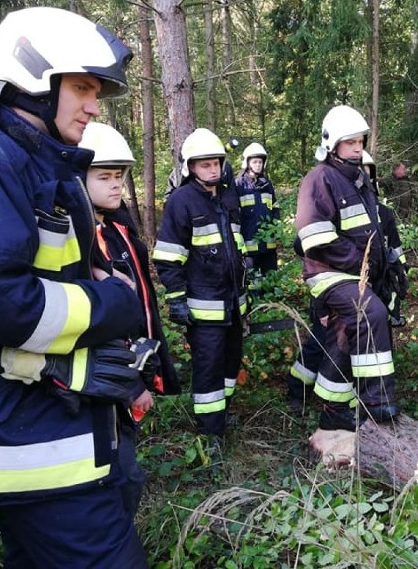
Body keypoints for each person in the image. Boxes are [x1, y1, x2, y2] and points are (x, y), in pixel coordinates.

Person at [0, 7, 151, 566]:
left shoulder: (30, 162)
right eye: (85, 88)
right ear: (35, 78)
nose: (95, 106)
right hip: (27, 442)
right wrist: (111, 304)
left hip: (50, 426)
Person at [294, 105, 398, 431]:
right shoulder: (319, 179)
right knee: (371, 313)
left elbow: (374, 230)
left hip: (357, 273)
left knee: (343, 334)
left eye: (360, 141)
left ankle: (334, 409)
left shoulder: (359, 179)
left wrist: (385, 268)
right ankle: (376, 400)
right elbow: (314, 236)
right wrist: (360, 263)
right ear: (332, 144)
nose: (357, 147)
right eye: (349, 142)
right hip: (328, 273)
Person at [153, 128, 247, 443]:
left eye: (216, 163)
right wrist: (177, 298)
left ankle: (221, 413)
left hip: (234, 305)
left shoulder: (227, 196)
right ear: (191, 167)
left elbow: (237, 246)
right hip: (204, 308)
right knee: (208, 368)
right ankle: (210, 434)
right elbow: (168, 257)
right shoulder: (181, 201)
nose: (212, 169)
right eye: (205, 164)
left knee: (231, 363)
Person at [79, 122, 182, 407]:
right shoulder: (83, 239)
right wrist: (131, 385)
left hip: (135, 359)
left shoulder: (118, 225)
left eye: (118, 175)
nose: (115, 184)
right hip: (111, 375)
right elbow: (99, 326)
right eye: (103, 177)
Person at [362, 150, 409, 328]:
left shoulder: (384, 213)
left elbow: (395, 244)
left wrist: (401, 267)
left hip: (381, 276)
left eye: (366, 174)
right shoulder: (336, 209)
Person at [234, 142, 280, 277]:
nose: (258, 165)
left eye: (260, 162)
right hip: (249, 246)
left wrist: (277, 228)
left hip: (269, 245)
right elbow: (234, 214)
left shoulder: (267, 184)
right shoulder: (238, 185)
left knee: (271, 279)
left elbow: (275, 208)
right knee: (252, 284)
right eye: (255, 162)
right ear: (247, 163)